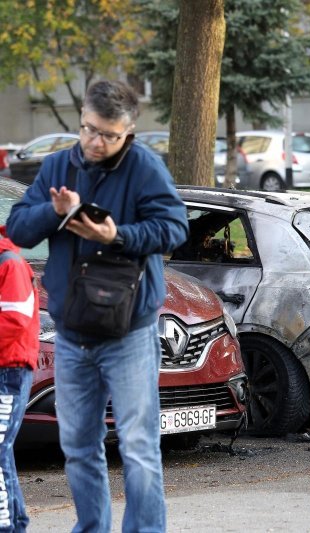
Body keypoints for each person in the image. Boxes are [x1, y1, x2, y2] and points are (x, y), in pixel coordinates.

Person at [6, 80, 188, 532]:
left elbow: (173, 227)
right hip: (72, 333)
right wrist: (56, 212)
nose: (95, 141)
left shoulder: (145, 168)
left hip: (128, 332)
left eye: (108, 134)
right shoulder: (57, 167)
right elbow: (19, 228)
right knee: (79, 446)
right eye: (88, 129)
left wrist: (118, 236)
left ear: (128, 131)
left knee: (139, 446)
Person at [0, 226, 39, 532]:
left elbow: (14, 321)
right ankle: (16, 522)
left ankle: (10, 525)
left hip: (10, 370)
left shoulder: (9, 263)